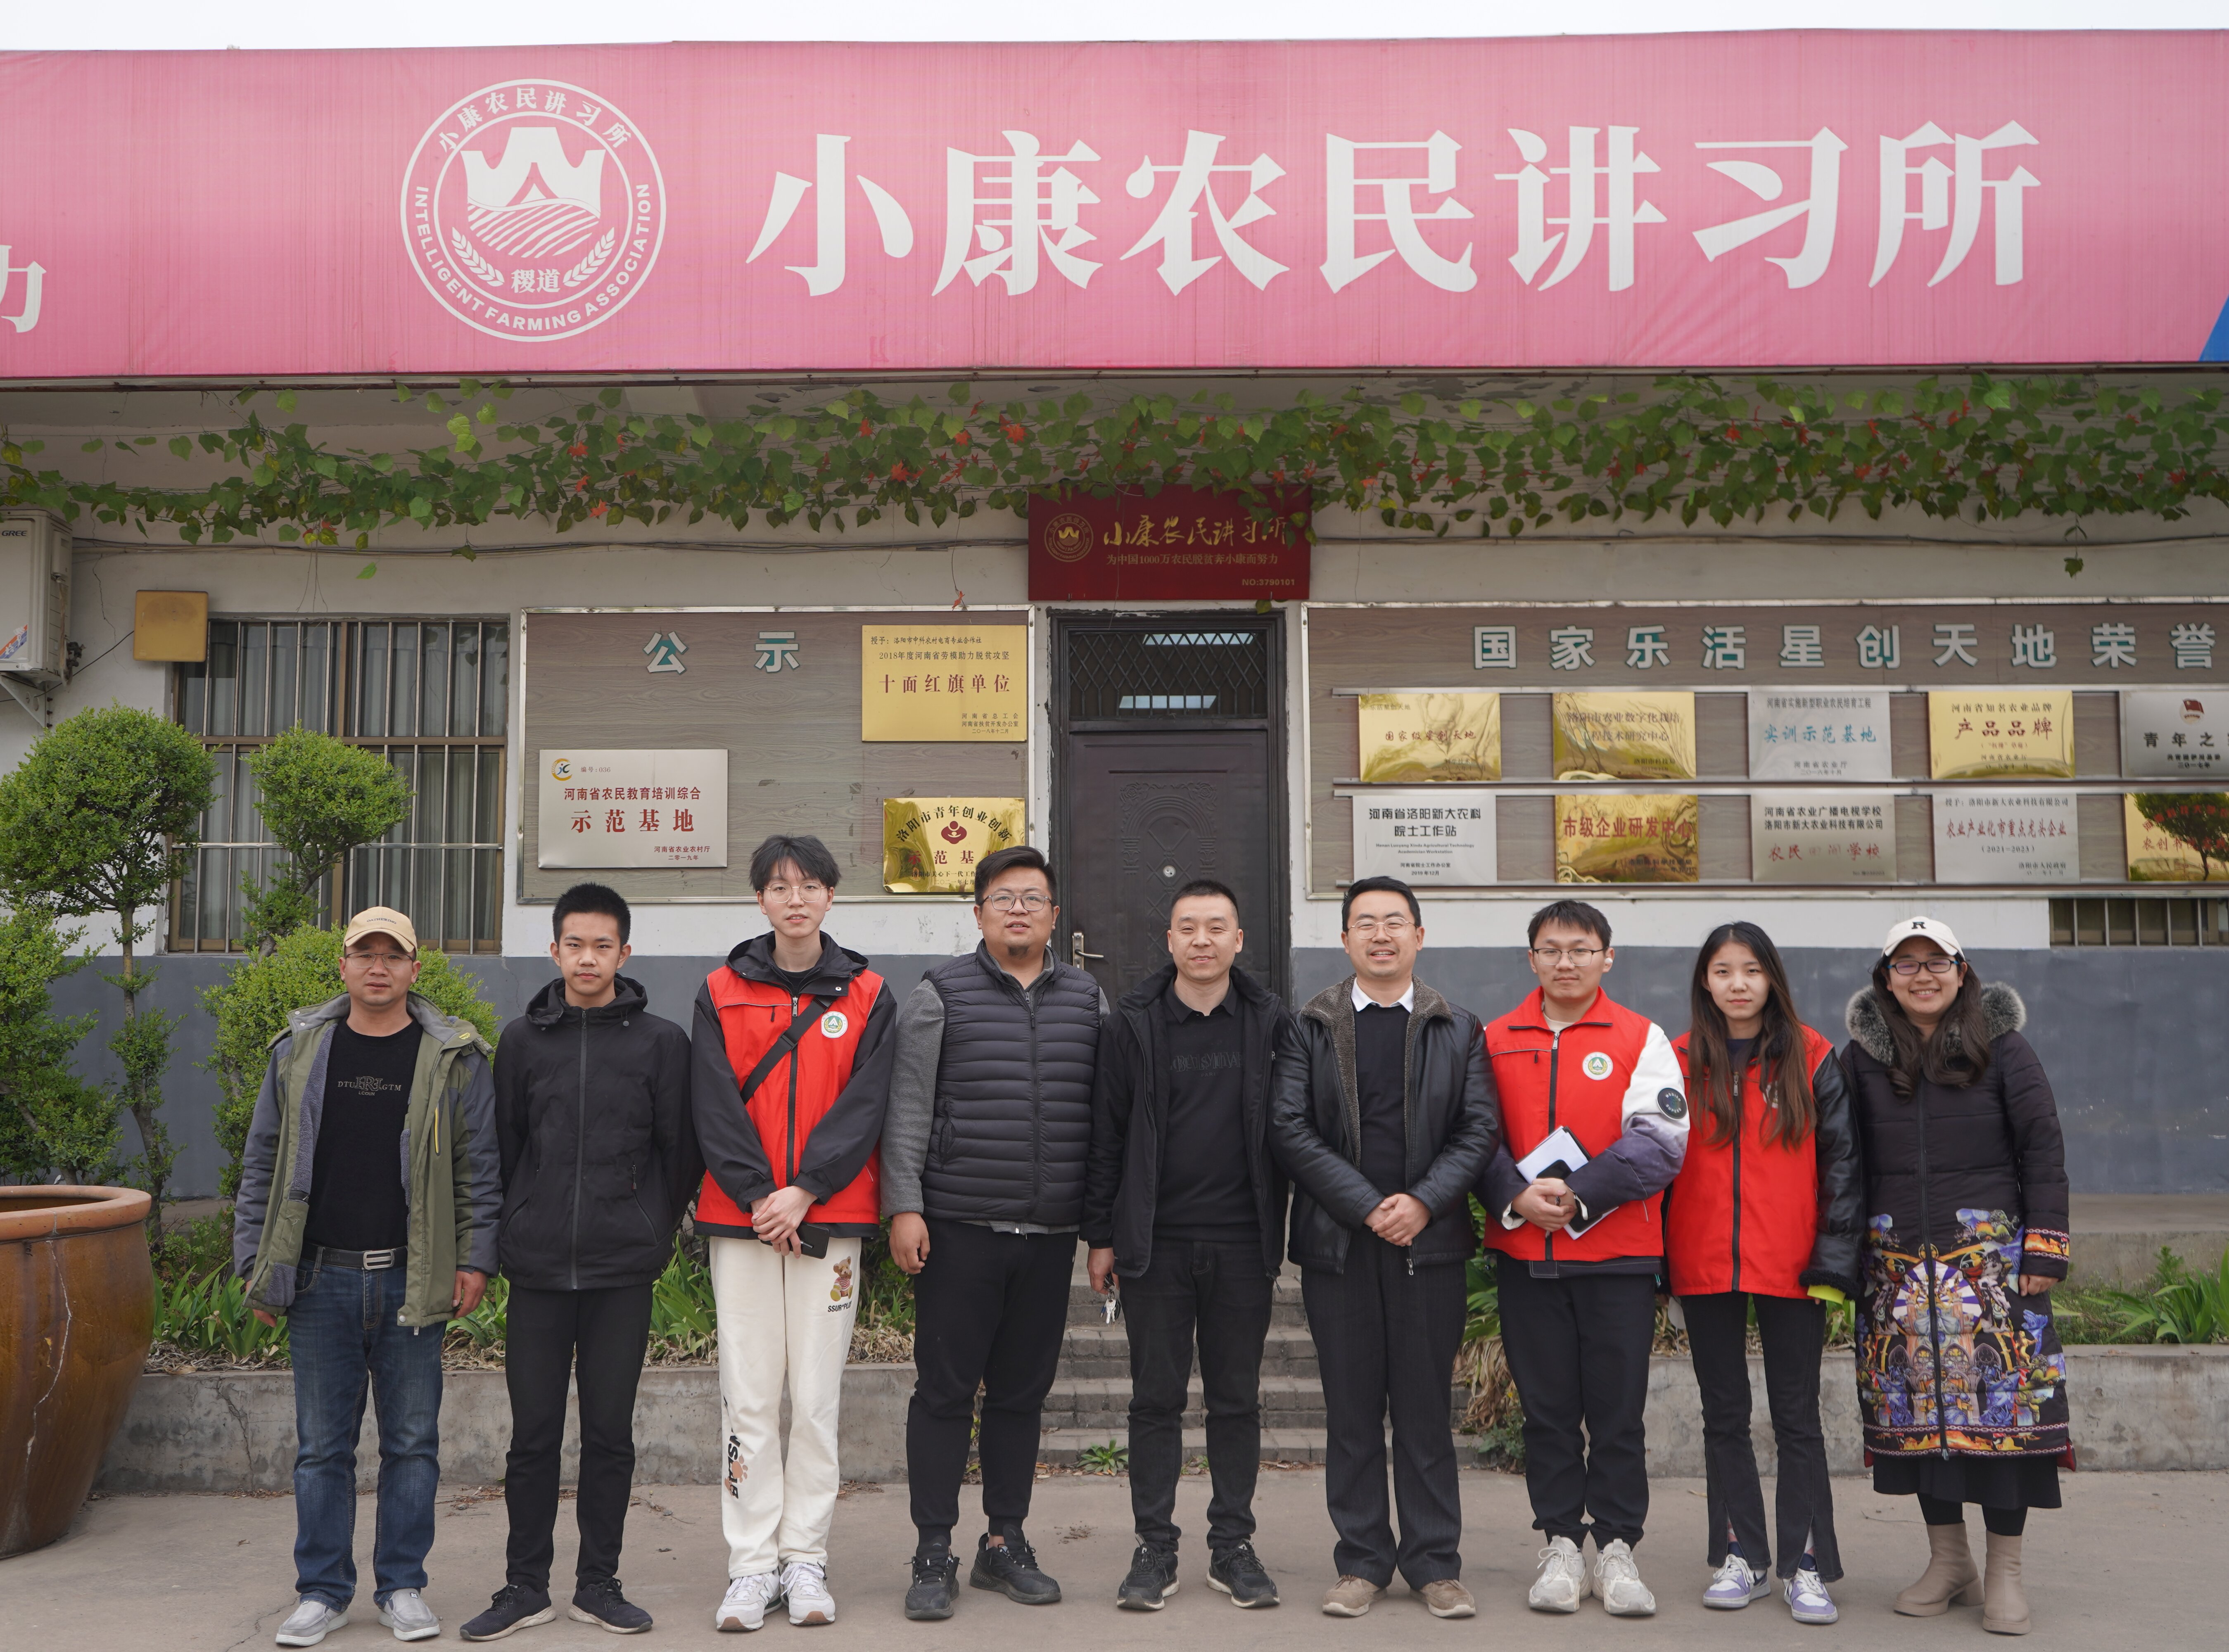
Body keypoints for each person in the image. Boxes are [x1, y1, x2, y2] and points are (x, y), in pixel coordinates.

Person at [234, 907, 501, 1648]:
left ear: (415, 968)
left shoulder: (453, 1056)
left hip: (412, 1279)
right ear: (344, 966)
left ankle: (402, 1586)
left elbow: (479, 1170)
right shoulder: (301, 1049)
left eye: (392, 955)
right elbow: (261, 1161)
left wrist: (475, 1259)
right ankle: (322, 1592)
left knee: (412, 1443)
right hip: (319, 1279)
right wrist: (256, 1264)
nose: (377, 967)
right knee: (322, 1448)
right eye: (364, 954)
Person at [461, 884, 698, 1642]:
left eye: (602, 946)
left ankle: (599, 1583)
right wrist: (514, 1228)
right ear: (554, 951)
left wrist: (649, 1227)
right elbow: (504, 1147)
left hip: (621, 1270)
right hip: (537, 1270)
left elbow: (679, 1153)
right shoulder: (521, 1043)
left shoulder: (661, 1043)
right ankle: (524, 1586)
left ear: (625, 953)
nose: (587, 958)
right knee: (532, 1436)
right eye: (574, 945)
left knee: (609, 1435)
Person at [882, 845, 1107, 1621]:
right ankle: (932, 1550)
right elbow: (907, 1107)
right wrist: (904, 1205)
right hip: (959, 1229)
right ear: (977, 913)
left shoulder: (1087, 999)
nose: (1018, 909)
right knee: (944, 1393)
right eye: (1003, 897)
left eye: (1032, 898)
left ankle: (1004, 1542)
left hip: (1048, 1235)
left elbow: (1102, 1120)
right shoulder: (939, 994)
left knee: (1020, 1395)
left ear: (1054, 915)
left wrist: (1100, 1227)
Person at [1269, 875, 1499, 1622]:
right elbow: (1289, 1128)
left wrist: (1423, 1202)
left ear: (1418, 936)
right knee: (1352, 1411)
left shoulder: (1456, 1027)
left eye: (1394, 921)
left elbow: (1478, 1129)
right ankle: (1361, 1562)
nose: (1380, 934)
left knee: (1426, 1409)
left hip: (1427, 1247)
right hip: (1339, 1246)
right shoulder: (1310, 1025)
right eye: (1364, 923)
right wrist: (1367, 1205)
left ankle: (1434, 1565)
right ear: (1343, 940)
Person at [1842, 916, 2070, 1638]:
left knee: (2001, 1417)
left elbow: (2042, 1147)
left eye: (1935, 961)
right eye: (1905, 964)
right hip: (1896, 1276)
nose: (1922, 975)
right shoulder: (1860, 1060)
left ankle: (2004, 1572)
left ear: (1961, 970)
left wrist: (2043, 1248)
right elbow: (1843, 1161)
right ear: (1886, 979)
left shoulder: (2004, 1048)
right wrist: (1841, 1257)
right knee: (1916, 1421)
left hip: (1992, 1274)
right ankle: (1949, 1561)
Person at [695, 835, 897, 1632]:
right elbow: (712, 1102)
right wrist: (761, 1197)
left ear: (830, 896)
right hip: (742, 1221)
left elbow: (867, 1105)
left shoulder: (869, 993)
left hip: (829, 1219)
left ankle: (804, 1558)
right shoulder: (720, 990)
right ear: (760, 900)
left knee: (815, 1400)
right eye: (779, 887)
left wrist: (806, 1190)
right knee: (747, 1398)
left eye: (810, 885)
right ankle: (751, 1567)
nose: (795, 899)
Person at [1083, 880, 1291, 1612]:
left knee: (1235, 1401)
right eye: (1188, 928)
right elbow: (1106, 1136)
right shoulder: (1133, 1023)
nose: (1202, 940)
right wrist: (1101, 1236)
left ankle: (1232, 1546)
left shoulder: (1271, 1021)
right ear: (1169, 940)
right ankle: (1155, 1548)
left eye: (1216, 927)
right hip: (1156, 1244)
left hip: (1243, 1243)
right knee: (1155, 1401)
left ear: (1239, 940)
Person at [1478, 898, 1688, 1619]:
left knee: (1617, 1414)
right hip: (1525, 1256)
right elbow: (1472, 1136)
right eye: (1550, 949)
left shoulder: (1640, 1036)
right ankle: (1561, 1544)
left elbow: (1661, 1142)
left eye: (1580, 949)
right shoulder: (1493, 1039)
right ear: (1531, 958)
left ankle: (1619, 1548)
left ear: (1607, 957)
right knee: (1547, 1414)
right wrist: (1514, 1195)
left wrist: (1577, 1196)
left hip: (1617, 1258)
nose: (1564, 962)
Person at [1664, 921, 1861, 1627]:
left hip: (1792, 1264)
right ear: (1705, 982)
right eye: (1723, 971)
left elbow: (1843, 1166)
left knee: (1796, 1417)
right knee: (1723, 1416)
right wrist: (1660, 1268)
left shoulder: (1812, 1056)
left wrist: (1831, 1262)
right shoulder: (1677, 1059)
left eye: (1751, 970)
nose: (1738, 984)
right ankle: (1739, 1554)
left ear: (1771, 978)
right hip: (1702, 1260)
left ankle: (1805, 1563)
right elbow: (1653, 1164)